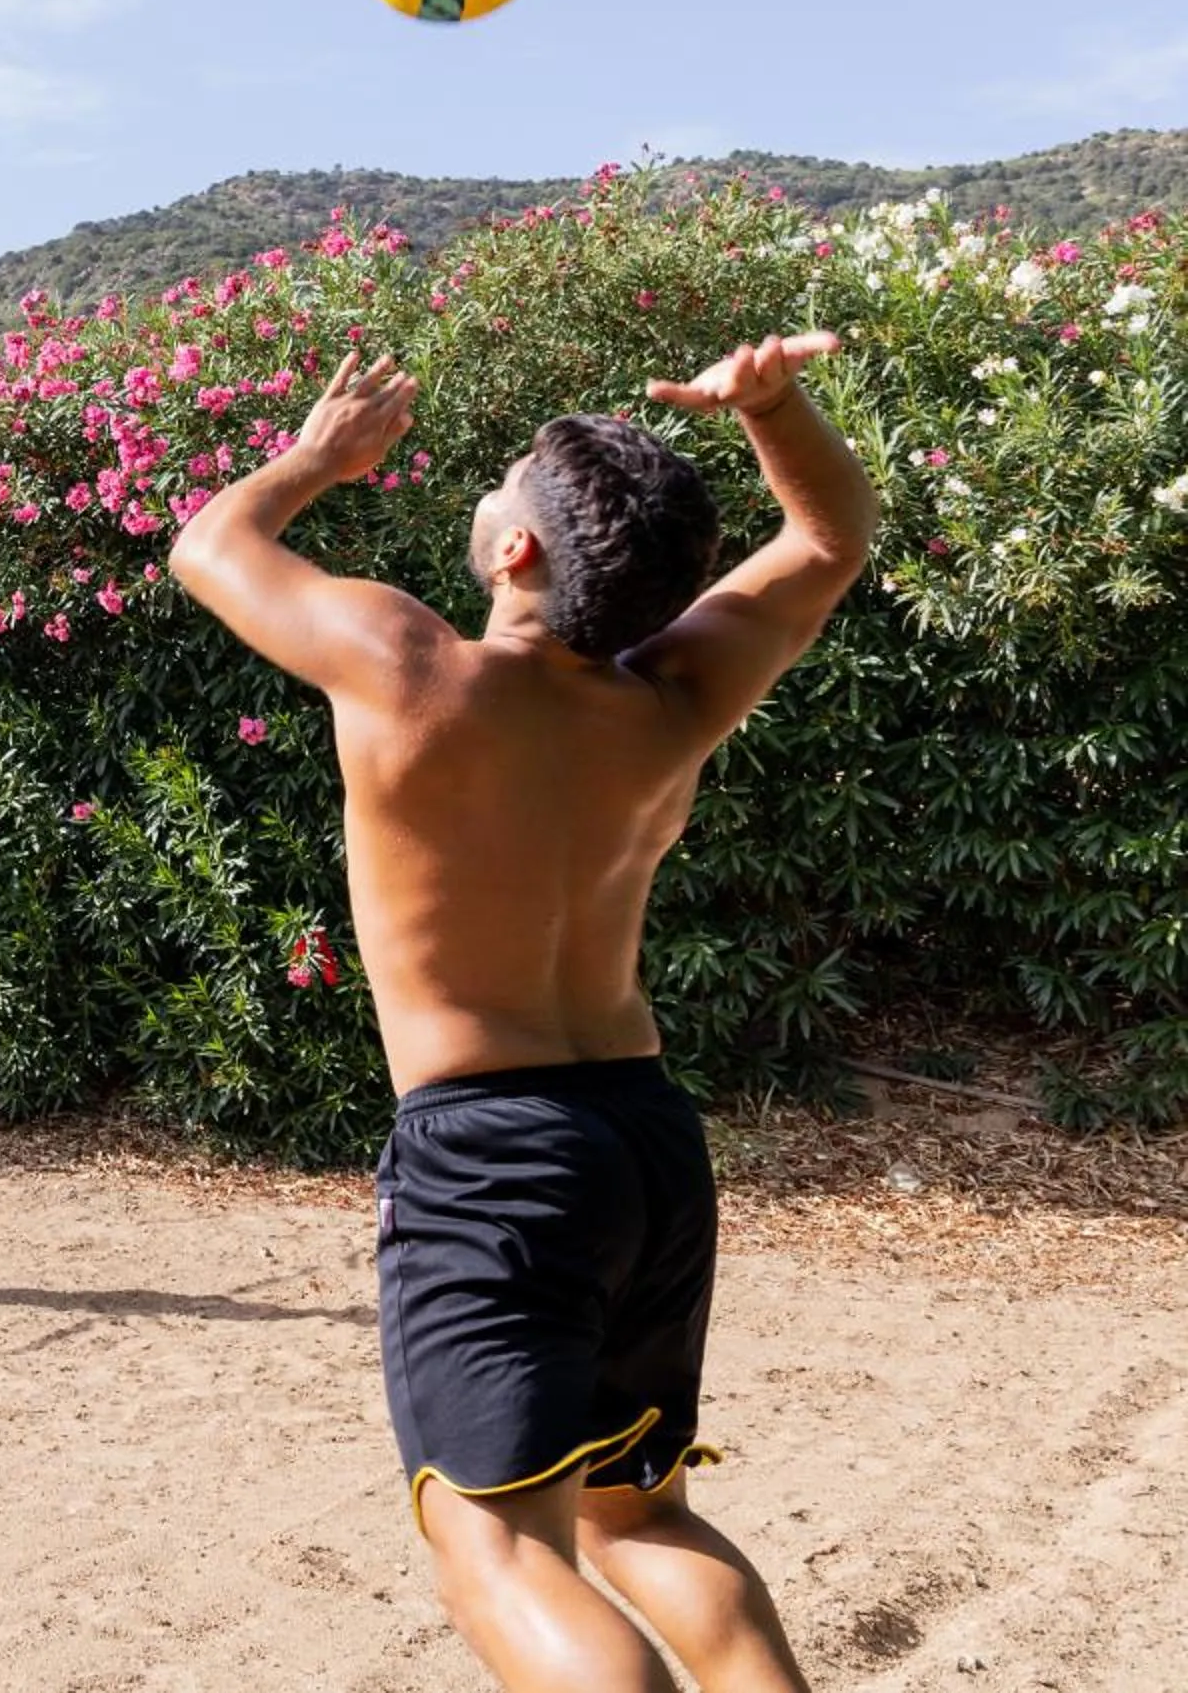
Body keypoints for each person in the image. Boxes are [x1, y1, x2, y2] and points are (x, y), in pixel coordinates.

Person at [167, 333, 875, 1693]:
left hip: (494, 1154)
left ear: (517, 558)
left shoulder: (404, 662)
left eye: (503, 488)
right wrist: (775, 408)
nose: (487, 499)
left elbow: (208, 547)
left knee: (498, 1550)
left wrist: (319, 457)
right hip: (645, 1140)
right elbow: (831, 536)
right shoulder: (676, 694)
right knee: (638, 1511)